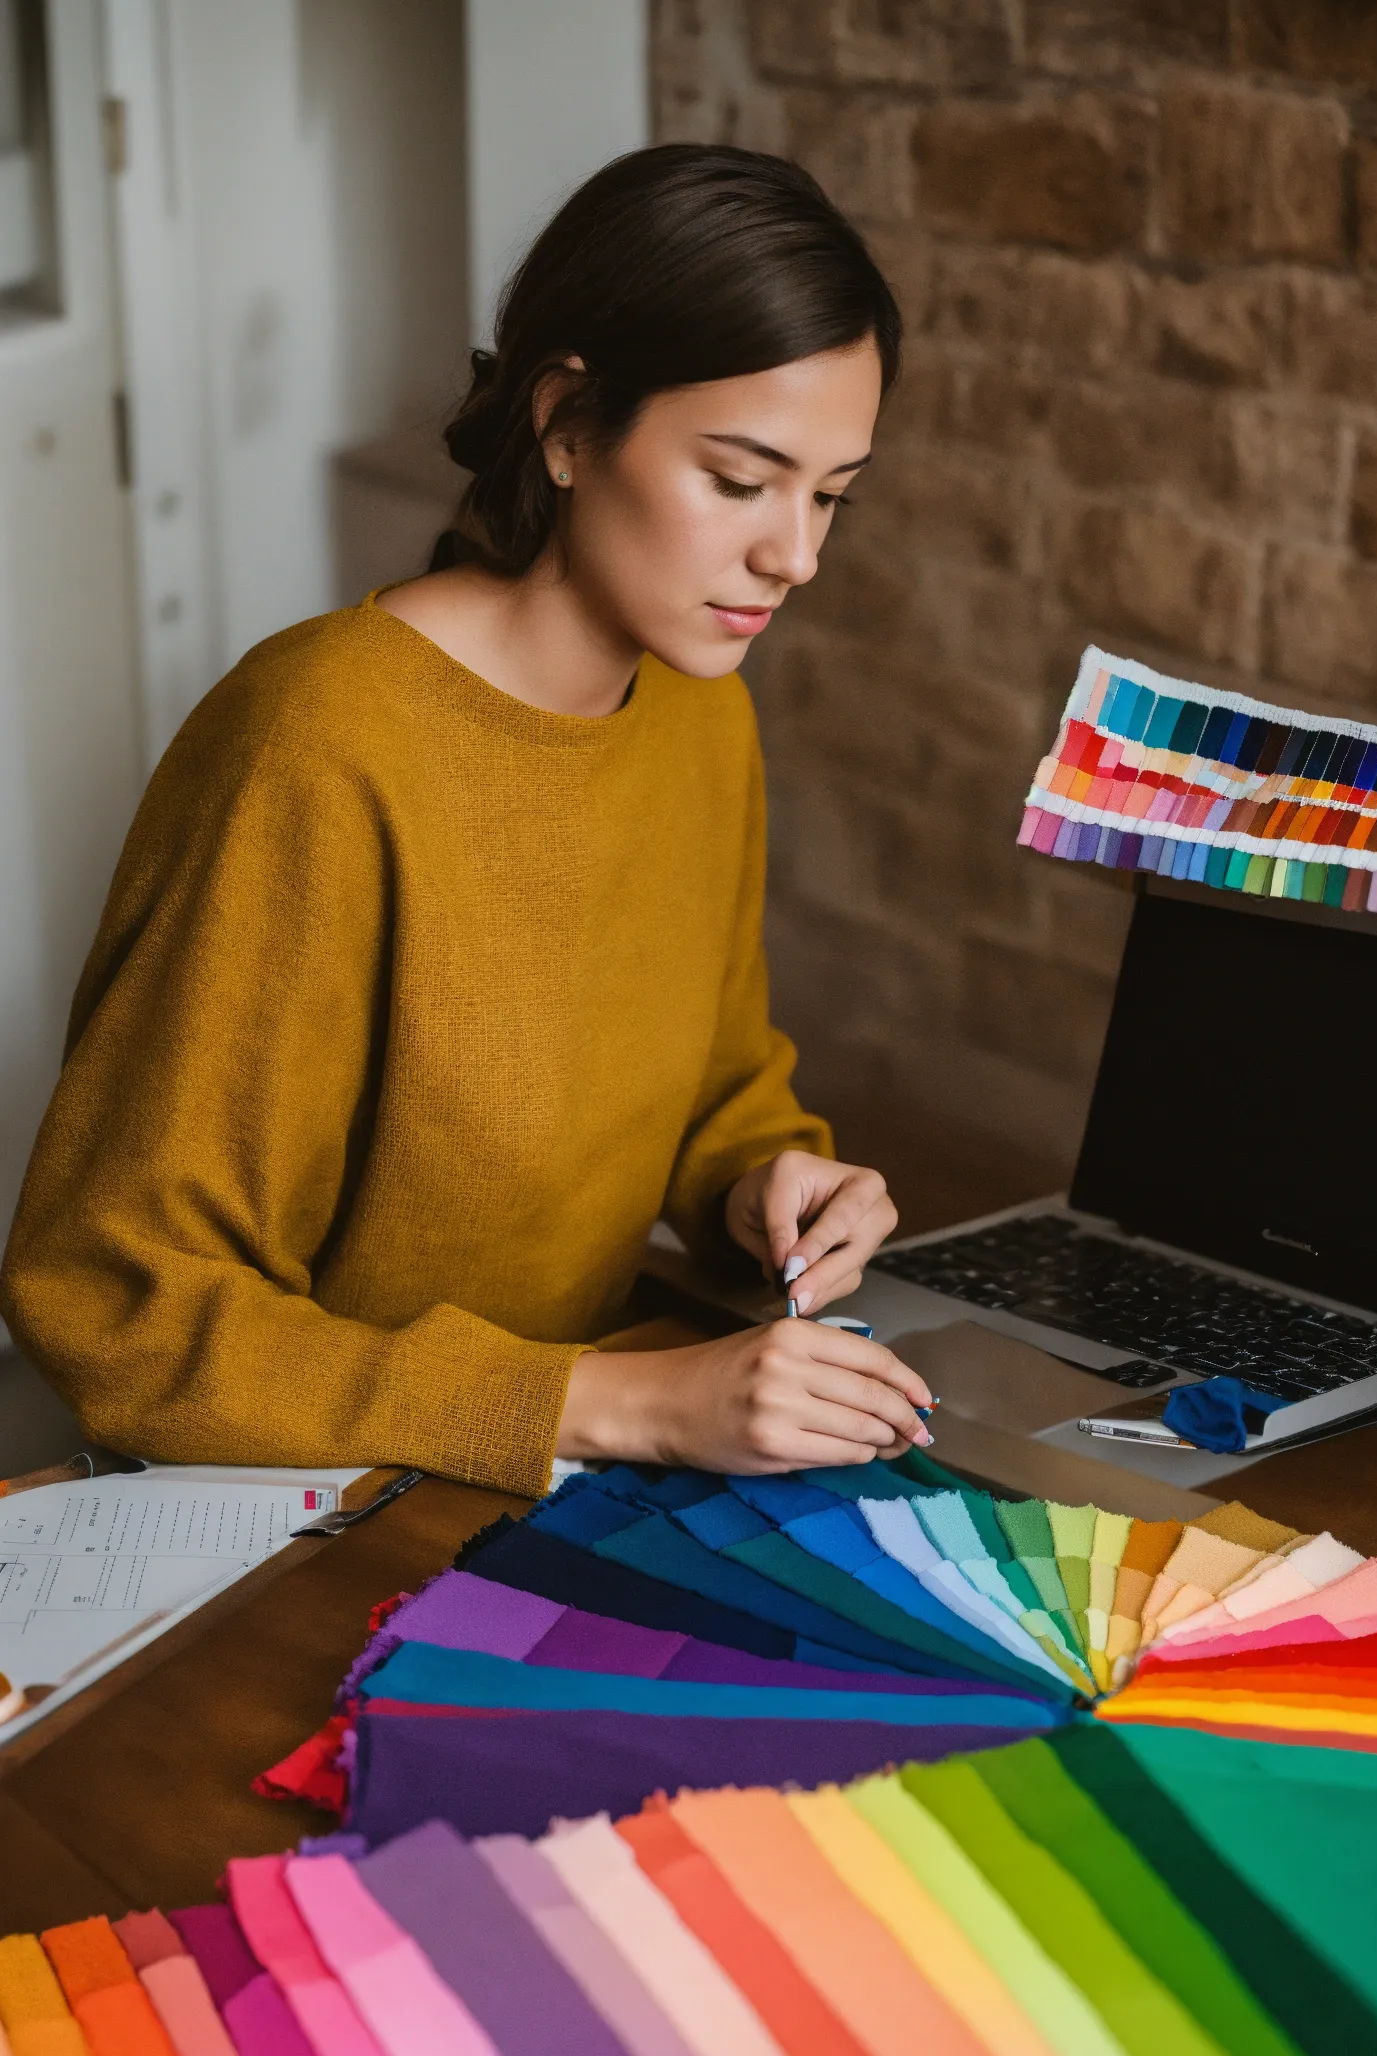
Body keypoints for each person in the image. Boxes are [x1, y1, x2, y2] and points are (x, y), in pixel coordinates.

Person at [0, 145, 935, 1495]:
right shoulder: (317, 748)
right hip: (286, 1512)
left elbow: (711, 1084)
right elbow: (118, 1309)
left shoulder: (695, 713)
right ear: (567, 421)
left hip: (537, 1478)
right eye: (741, 481)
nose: (797, 554)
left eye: (832, 494)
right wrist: (617, 1401)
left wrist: (763, 1186)